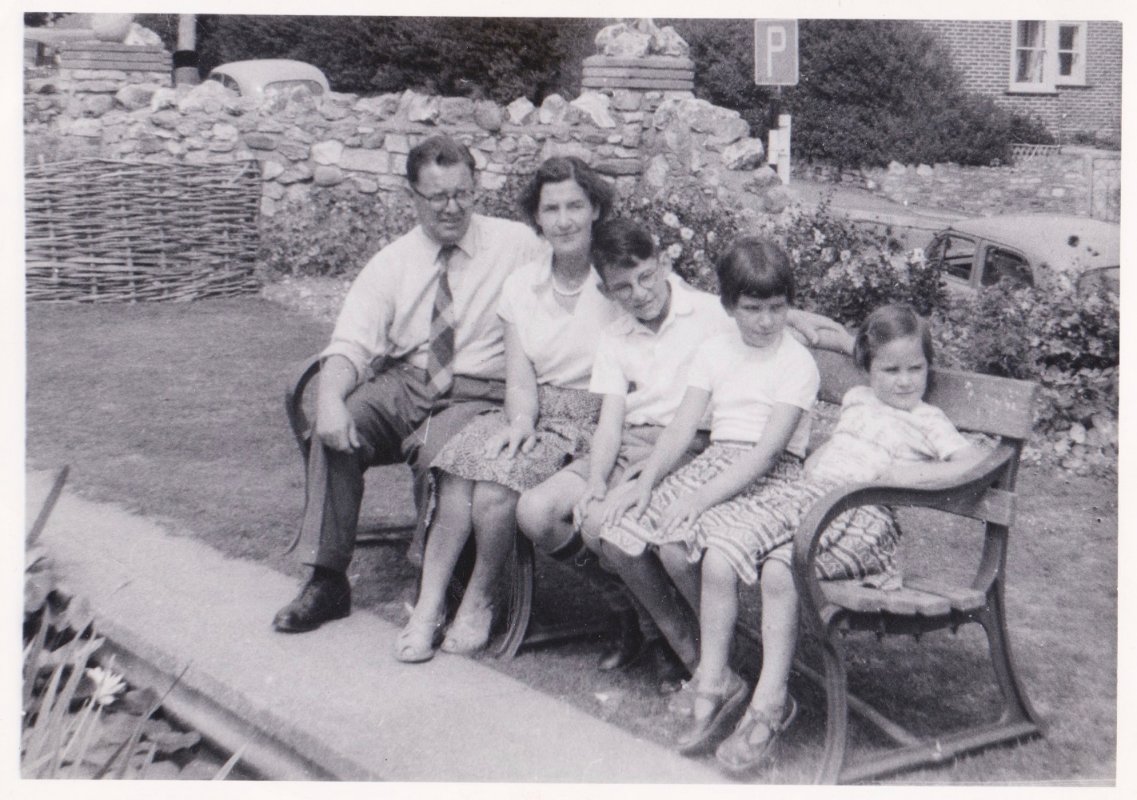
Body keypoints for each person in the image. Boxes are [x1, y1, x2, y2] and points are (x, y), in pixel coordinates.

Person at [518, 223, 853, 691]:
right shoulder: (679, 342)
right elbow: (643, 425)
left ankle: (707, 652)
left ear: (664, 266)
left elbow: (765, 443)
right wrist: (630, 481)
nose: (638, 293)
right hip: (678, 452)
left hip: (733, 461)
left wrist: (840, 336)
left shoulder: (738, 330)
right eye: (623, 286)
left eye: (646, 277)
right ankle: (684, 644)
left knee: (658, 537)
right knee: (602, 525)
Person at [272, 135, 547, 634]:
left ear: (475, 187)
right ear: (412, 197)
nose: (452, 207)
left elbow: (574, 278)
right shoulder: (391, 262)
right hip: (406, 381)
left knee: (438, 450)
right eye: (437, 197)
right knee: (341, 423)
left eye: (463, 194)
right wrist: (331, 399)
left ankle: (442, 584)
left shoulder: (517, 246)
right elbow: (351, 345)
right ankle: (326, 577)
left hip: (477, 389)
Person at [706, 303, 988, 776]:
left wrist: (900, 471)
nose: (903, 380)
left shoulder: (927, 419)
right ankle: (710, 680)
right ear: (867, 366)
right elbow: (841, 339)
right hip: (811, 503)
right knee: (719, 542)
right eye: (890, 369)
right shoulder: (858, 395)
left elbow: (971, 464)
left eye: (915, 368)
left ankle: (768, 706)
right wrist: (793, 313)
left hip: (864, 520)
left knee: (781, 568)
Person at [393, 156, 638, 663]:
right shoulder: (522, 284)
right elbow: (520, 377)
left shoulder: (619, 276)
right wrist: (521, 421)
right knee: (460, 464)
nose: (564, 219)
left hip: (600, 420)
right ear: (537, 218)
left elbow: (686, 313)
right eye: (552, 209)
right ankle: (429, 606)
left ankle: (481, 598)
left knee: (497, 482)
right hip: (538, 412)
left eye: (575, 205)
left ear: (595, 209)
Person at [596, 237, 820, 748]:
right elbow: (682, 426)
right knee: (618, 532)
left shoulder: (796, 362)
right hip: (717, 461)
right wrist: (647, 482)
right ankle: (710, 656)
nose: (766, 321)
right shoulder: (716, 348)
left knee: (681, 539)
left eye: (777, 308)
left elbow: (766, 454)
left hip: (770, 473)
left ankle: (717, 674)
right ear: (728, 307)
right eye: (753, 309)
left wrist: (697, 499)